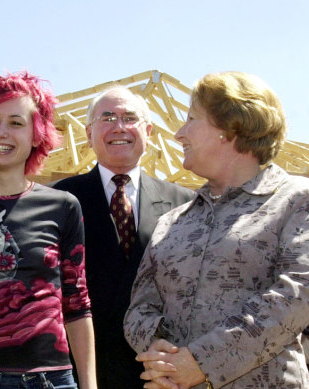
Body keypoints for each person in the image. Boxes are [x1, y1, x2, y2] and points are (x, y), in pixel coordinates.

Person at [124, 71, 309, 388]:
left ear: (229, 128)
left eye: (191, 119)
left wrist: (202, 362)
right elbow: (139, 307)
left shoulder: (296, 199)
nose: (179, 133)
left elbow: (297, 295)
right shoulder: (173, 220)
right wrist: (157, 350)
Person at [0, 71, 97, 389]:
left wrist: (89, 384)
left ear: (37, 135)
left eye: (16, 123)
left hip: (51, 380)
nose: (1, 132)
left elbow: (77, 302)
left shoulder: (63, 206)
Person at [53, 85, 193, 388]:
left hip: (159, 372)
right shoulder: (57, 200)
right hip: (80, 371)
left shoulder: (186, 203)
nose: (119, 127)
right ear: (89, 133)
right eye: (107, 118)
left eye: (130, 118)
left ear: (149, 131)